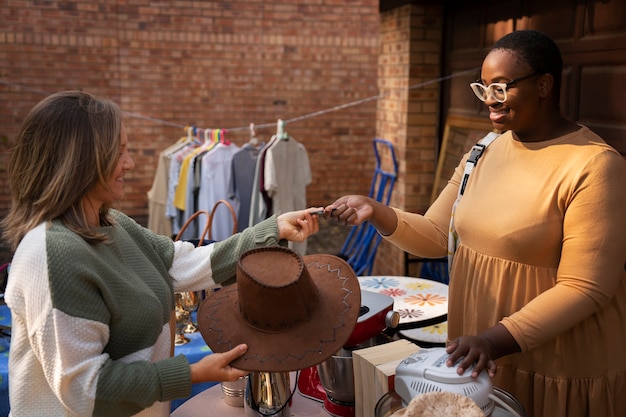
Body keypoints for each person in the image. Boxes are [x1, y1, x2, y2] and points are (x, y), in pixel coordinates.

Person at [323, 30, 626, 417]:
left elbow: (586, 287)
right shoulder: (484, 150)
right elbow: (437, 235)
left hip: (554, 362)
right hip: (483, 359)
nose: (489, 102)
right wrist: (376, 210)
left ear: (544, 85)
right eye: (483, 89)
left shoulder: (595, 165)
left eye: (500, 88)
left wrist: (495, 339)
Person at [1, 90, 322, 417]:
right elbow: (86, 390)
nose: (130, 163)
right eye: (119, 152)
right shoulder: (50, 254)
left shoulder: (113, 224)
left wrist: (273, 230)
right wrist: (193, 373)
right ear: (80, 159)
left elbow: (184, 262)